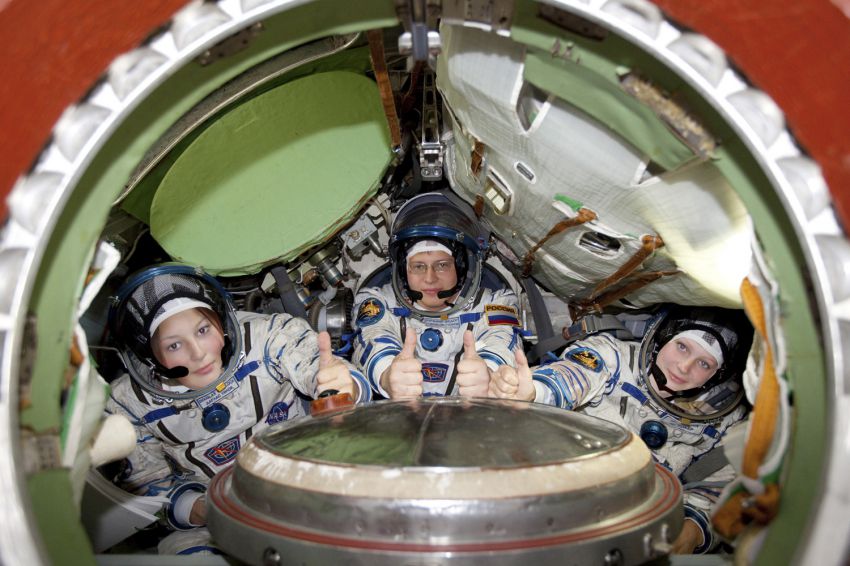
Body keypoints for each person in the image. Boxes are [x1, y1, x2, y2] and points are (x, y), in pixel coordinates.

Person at [103, 264, 371, 554]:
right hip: (214, 523)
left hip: (307, 486)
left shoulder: (269, 338)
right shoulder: (130, 406)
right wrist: (199, 508)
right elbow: (149, 487)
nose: (198, 353)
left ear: (220, 323)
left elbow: (318, 366)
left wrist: (341, 386)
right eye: (174, 346)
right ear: (150, 357)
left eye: (203, 330)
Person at [490, 305, 753, 554]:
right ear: (663, 337)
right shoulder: (613, 358)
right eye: (682, 347)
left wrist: (694, 528)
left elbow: (719, 488)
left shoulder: (724, 422)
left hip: (634, 528)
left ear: (718, 375)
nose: (685, 367)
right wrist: (536, 391)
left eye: (704, 363)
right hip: (555, 499)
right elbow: (574, 375)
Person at [352, 191, 519, 399]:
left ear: (462, 267)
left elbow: (501, 340)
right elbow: (373, 338)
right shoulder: (378, 302)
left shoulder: (497, 303)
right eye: (418, 266)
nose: (429, 279)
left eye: (442, 265)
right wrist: (387, 375)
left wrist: (489, 373)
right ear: (403, 270)